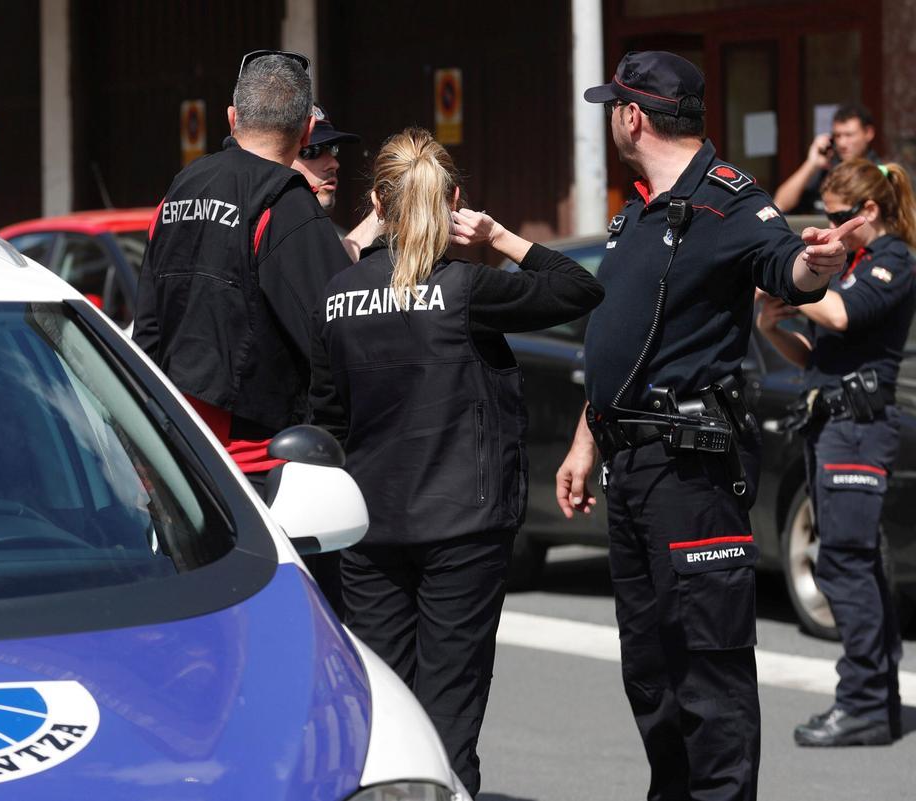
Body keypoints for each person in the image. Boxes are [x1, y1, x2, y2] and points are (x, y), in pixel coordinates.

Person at [556, 51, 864, 800]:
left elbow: (787, 267)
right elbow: (620, 346)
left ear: (633, 116)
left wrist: (820, 265)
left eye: (613, 107)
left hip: (691, 472)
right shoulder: (636, 213)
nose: (611, 120)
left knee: (708, 677)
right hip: (630, 468)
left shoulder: (731, 200)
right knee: (651, 674)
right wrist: (585, 440)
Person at [310, 127, 604, 795]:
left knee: (385, 712)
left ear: (377, 203)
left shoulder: (337, 295)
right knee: (449, 714)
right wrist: (500, 237)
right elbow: (579, 290)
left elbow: (326, 419)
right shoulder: (466, 287)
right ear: (454, 203)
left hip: (370, 529)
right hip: (463, 527)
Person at [133, 50, 349, 613]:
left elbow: (147, 328)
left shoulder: (179, 189)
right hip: (265, 474)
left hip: (180, 466)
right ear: (306, 131)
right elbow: (336, 336)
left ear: (232, 118)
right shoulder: (286, 202)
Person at [757, 158, 915, 747]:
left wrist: (794, 289)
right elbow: (819, 357)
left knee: (845, 566)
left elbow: (842, 315)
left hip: (859, 429)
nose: (829, 228)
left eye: (838, 217)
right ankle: (876, 700)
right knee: (856, 564)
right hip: (832, 423)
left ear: (869, 211)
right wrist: (774, 328)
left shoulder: (893, 260)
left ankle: (863, 703)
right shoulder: (854, 263)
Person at [290, 103, 382, 262]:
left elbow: (336, 265)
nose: (334, 163)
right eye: (313, 151)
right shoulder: (260, 232)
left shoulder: (327, 234)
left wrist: (382, 209)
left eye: (332, 148)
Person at [775, 103, 880, 214]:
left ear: (869, 133)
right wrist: (811, 163)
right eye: (837, 136)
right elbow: (780, 205)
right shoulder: (824, 171)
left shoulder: (881, 172)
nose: (842, 143)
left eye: (849, 135)